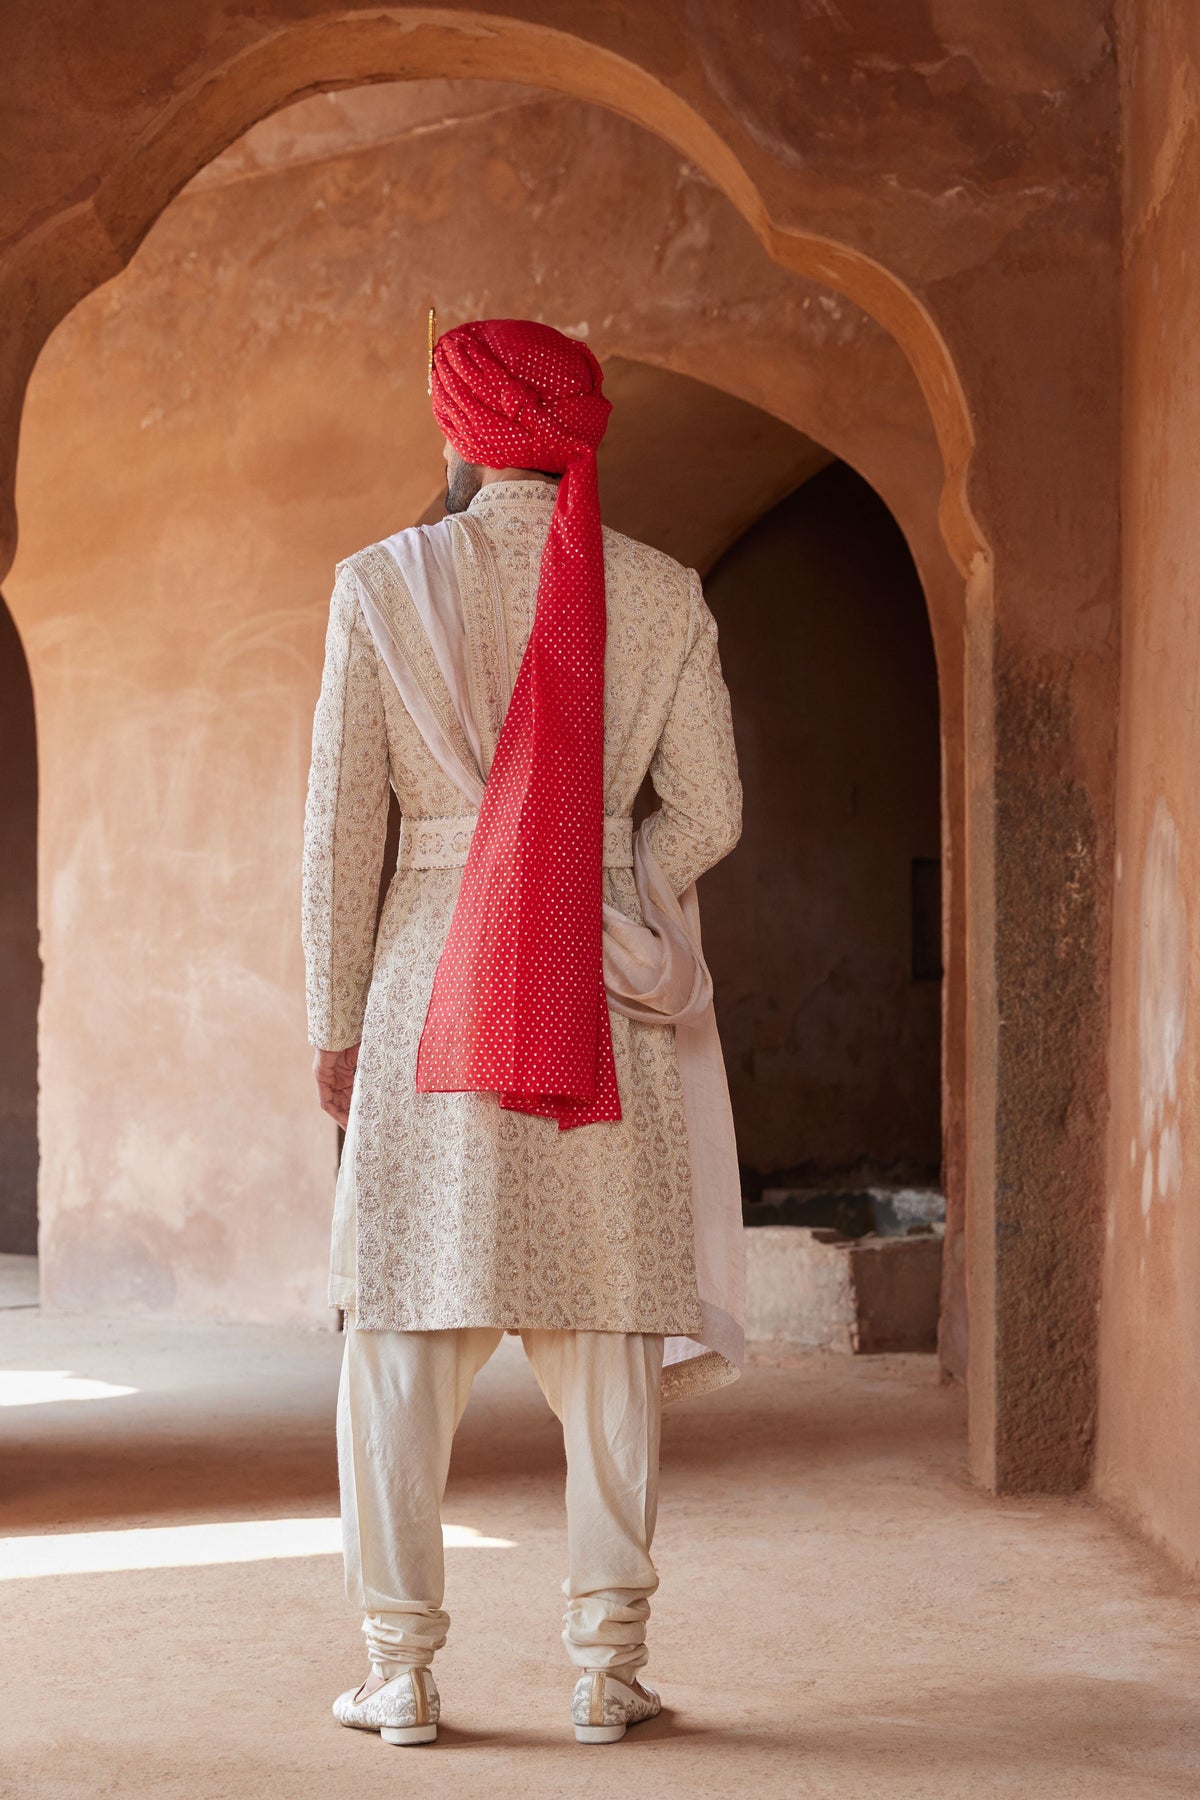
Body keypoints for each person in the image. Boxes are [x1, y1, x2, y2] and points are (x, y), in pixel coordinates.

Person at [302, 317, 743, 1748]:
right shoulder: (662, 591)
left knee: (398, 1338)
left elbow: (338, 837)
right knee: (609, 1340)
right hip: (593, 980)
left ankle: (402, 1671)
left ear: (458, 434)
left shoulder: (379, 584)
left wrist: (333, 1018)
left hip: (429, 982)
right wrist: (619, 880)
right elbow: (719, 812)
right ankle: (607, 1672)